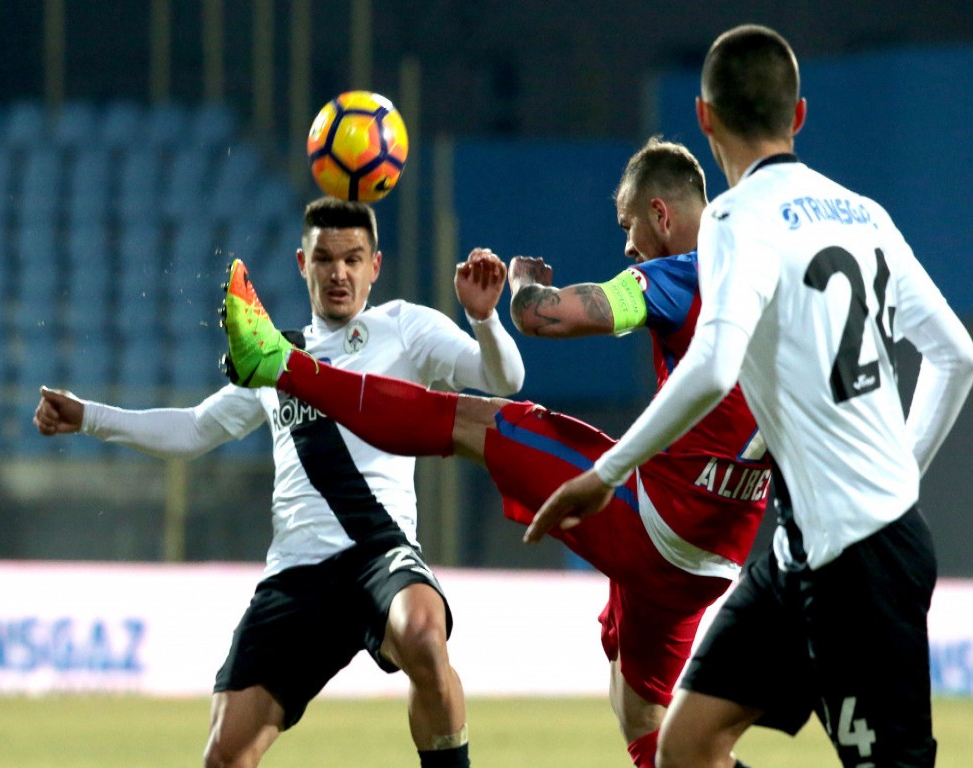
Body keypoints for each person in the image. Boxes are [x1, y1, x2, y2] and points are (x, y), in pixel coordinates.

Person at [218, 139, 771, 768]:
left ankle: (281, 363)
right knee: (650, 724)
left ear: (660, 215)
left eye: (628, 227)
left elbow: (546, 318)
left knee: (471, 421)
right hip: (718, 554)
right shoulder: (770, 285)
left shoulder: (681, 275)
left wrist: (525, 285)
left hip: (656, 519)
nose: (627, 245)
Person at [526, 24, 973, 768]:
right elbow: (955, 355)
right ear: (798, 115)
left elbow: (710, 367)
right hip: (803, 547)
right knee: (688, 746)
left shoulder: (737, 217)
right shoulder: (865, 214)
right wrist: (901, 473)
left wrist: (603, 475)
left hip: (861, 564)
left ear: (704, 119)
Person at [33, 197, 526, 768]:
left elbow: (503, 377)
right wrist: (89, 416)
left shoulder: (405, 327)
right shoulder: (273, 356)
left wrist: (485, 319)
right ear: (302, 264)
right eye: (325, 258)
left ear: (376, 266)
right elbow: (194, 429)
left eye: (353, 258)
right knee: (224, 755)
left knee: (422, 634)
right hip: (297, 574)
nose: (339, 272)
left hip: (379, 556)